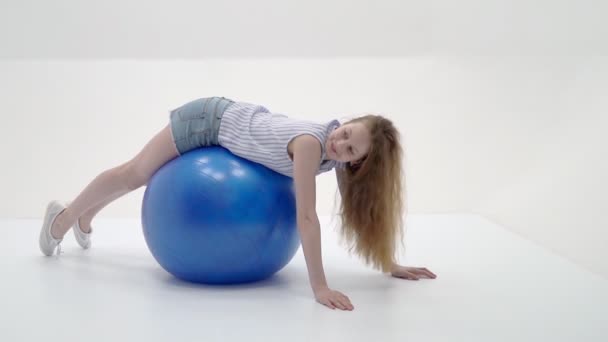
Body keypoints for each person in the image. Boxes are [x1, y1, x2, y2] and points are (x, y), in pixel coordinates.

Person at [39, 96, 436, 311]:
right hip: (207, 121)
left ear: (359, 162)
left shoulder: (336, 159)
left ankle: (85, 216)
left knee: (134, 175)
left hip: (234, 120)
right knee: (135, 174)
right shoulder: (313, 145)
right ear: (346, 121)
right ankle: (63, 217)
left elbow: (355, 215)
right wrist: (319, 287)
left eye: (350, 150)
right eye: (347, 133)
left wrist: (390, 264)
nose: (341, 144)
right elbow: (307, 216)